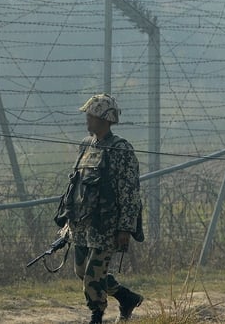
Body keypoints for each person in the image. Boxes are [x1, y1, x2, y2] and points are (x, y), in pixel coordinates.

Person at [57, 93, 144, 324]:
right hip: (82, 223)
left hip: (107, 225)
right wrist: (67, 222)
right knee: (82, 271)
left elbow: (130, 192)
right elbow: (75, 186)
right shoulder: (85, 145)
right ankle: (126, 297)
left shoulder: (121, 149)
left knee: (93, 275)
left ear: (104, 119)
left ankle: (96, 315)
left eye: (91, 116)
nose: (87, 120)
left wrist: (125, 227)